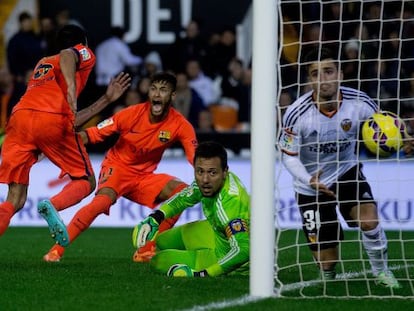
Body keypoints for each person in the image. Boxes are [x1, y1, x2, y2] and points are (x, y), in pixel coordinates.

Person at [278, 47, 401, 288]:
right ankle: (327, 279)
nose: (323, 79)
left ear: (340, 74)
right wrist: (309, 179)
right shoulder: (295, 114)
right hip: (310, 185)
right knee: (327, 263)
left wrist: (401, 142)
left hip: (346, 171)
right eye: (316, 74)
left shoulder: (361, 102)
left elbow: (382, 134)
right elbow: (289, 156)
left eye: (329, 71)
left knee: (369, 221)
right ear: (309, 79)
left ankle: (383, 273)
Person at [43, 72, 198, 263]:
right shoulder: (131, 114)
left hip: (144, 177)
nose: (157, 95)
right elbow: (92, 134)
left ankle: (147, 248)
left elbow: (195, 157)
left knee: (182, 192)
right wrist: (62, 150)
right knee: (100, 203)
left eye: (163, 90)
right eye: (153, 89)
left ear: (172, 96)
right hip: (116, 168)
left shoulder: (181, 125)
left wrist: (206, 174)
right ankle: (56, 251)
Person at [0, 24, 131, 246]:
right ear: (84, 43)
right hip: (48, 121)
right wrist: (71, 86)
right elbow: (68, 54)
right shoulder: (82, 53)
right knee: (86, 181)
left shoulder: (42, 64)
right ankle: (54, 205)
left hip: (19, 120)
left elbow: (70, 121)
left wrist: (107, 100)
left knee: (16, 199)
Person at [132, 141, 250, 277]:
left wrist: (205, 274)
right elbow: (182, 198)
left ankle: (203, 263)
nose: (205, 179)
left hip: (229, 258)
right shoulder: (210, 182)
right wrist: (155, 217)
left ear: (225, 172)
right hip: (217, 233)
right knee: (162, 240)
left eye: (212, 173)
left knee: (158, 262)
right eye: (200, 171)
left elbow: (244, 251)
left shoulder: (230, 205)